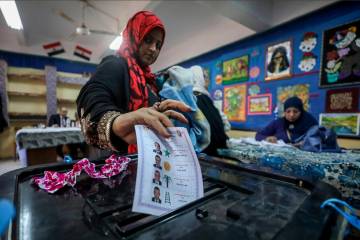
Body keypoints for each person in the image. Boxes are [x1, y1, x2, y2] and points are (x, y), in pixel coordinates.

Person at [76, 11, 190, 154]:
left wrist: (157, 110)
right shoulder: (116, 64)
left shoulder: (149, 80)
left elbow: (143, 114)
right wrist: (116, 123)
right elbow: (92, 96)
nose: (153, 49)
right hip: (119, 161)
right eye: (148, 40)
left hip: (146, 159)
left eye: (158, 45)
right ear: (134, 36)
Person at [190, 66, 229, 157]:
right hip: (208, 155)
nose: (208, 81)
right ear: (199, 77)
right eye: (205, 77)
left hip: (208, 155)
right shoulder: (199, 98)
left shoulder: (200, 97)